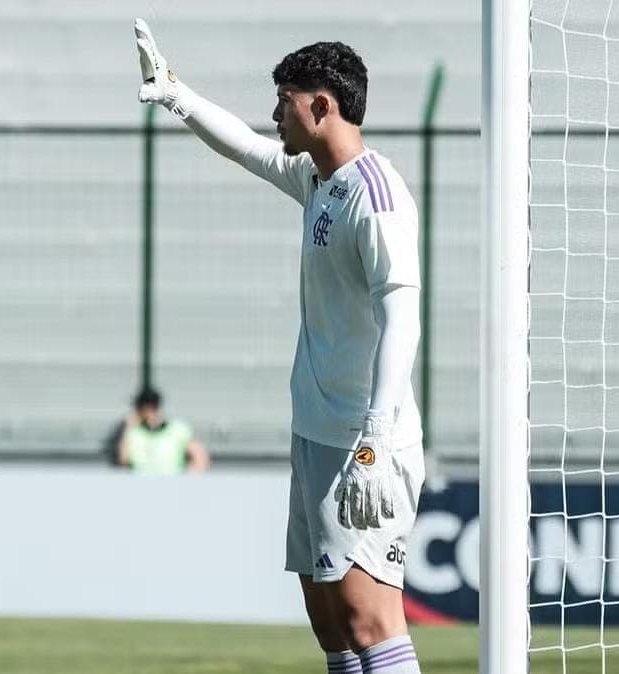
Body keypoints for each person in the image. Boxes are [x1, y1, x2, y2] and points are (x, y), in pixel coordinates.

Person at [135, 19, 425, 674]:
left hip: (362, 442)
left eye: (284, 101)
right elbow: (246, 148)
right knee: (332, 626)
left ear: (321, 106)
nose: (275, 115)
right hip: (318, 433)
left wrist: (376, 439)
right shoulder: (320, 181)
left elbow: (403, 316)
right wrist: (176, 94)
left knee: (370, 621)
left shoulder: (375, 198)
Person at [116, 387, 210, 475]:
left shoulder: (178, 429)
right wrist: (128, 428)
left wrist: (186, 478)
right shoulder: (134, 433)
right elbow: (123, 460)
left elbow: (200, 458)